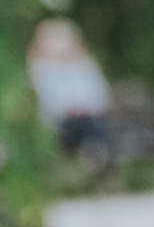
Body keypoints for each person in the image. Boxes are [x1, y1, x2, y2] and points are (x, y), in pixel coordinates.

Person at [28, 17, 116, 168]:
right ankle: (95, 158)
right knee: (84, 127)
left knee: (93, 124)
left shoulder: (84, 65)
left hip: (89, 117)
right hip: (60, 121)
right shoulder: (42, 69)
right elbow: (48, 100)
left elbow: (98, 94)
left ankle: (94, 158)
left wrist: (85, 108)